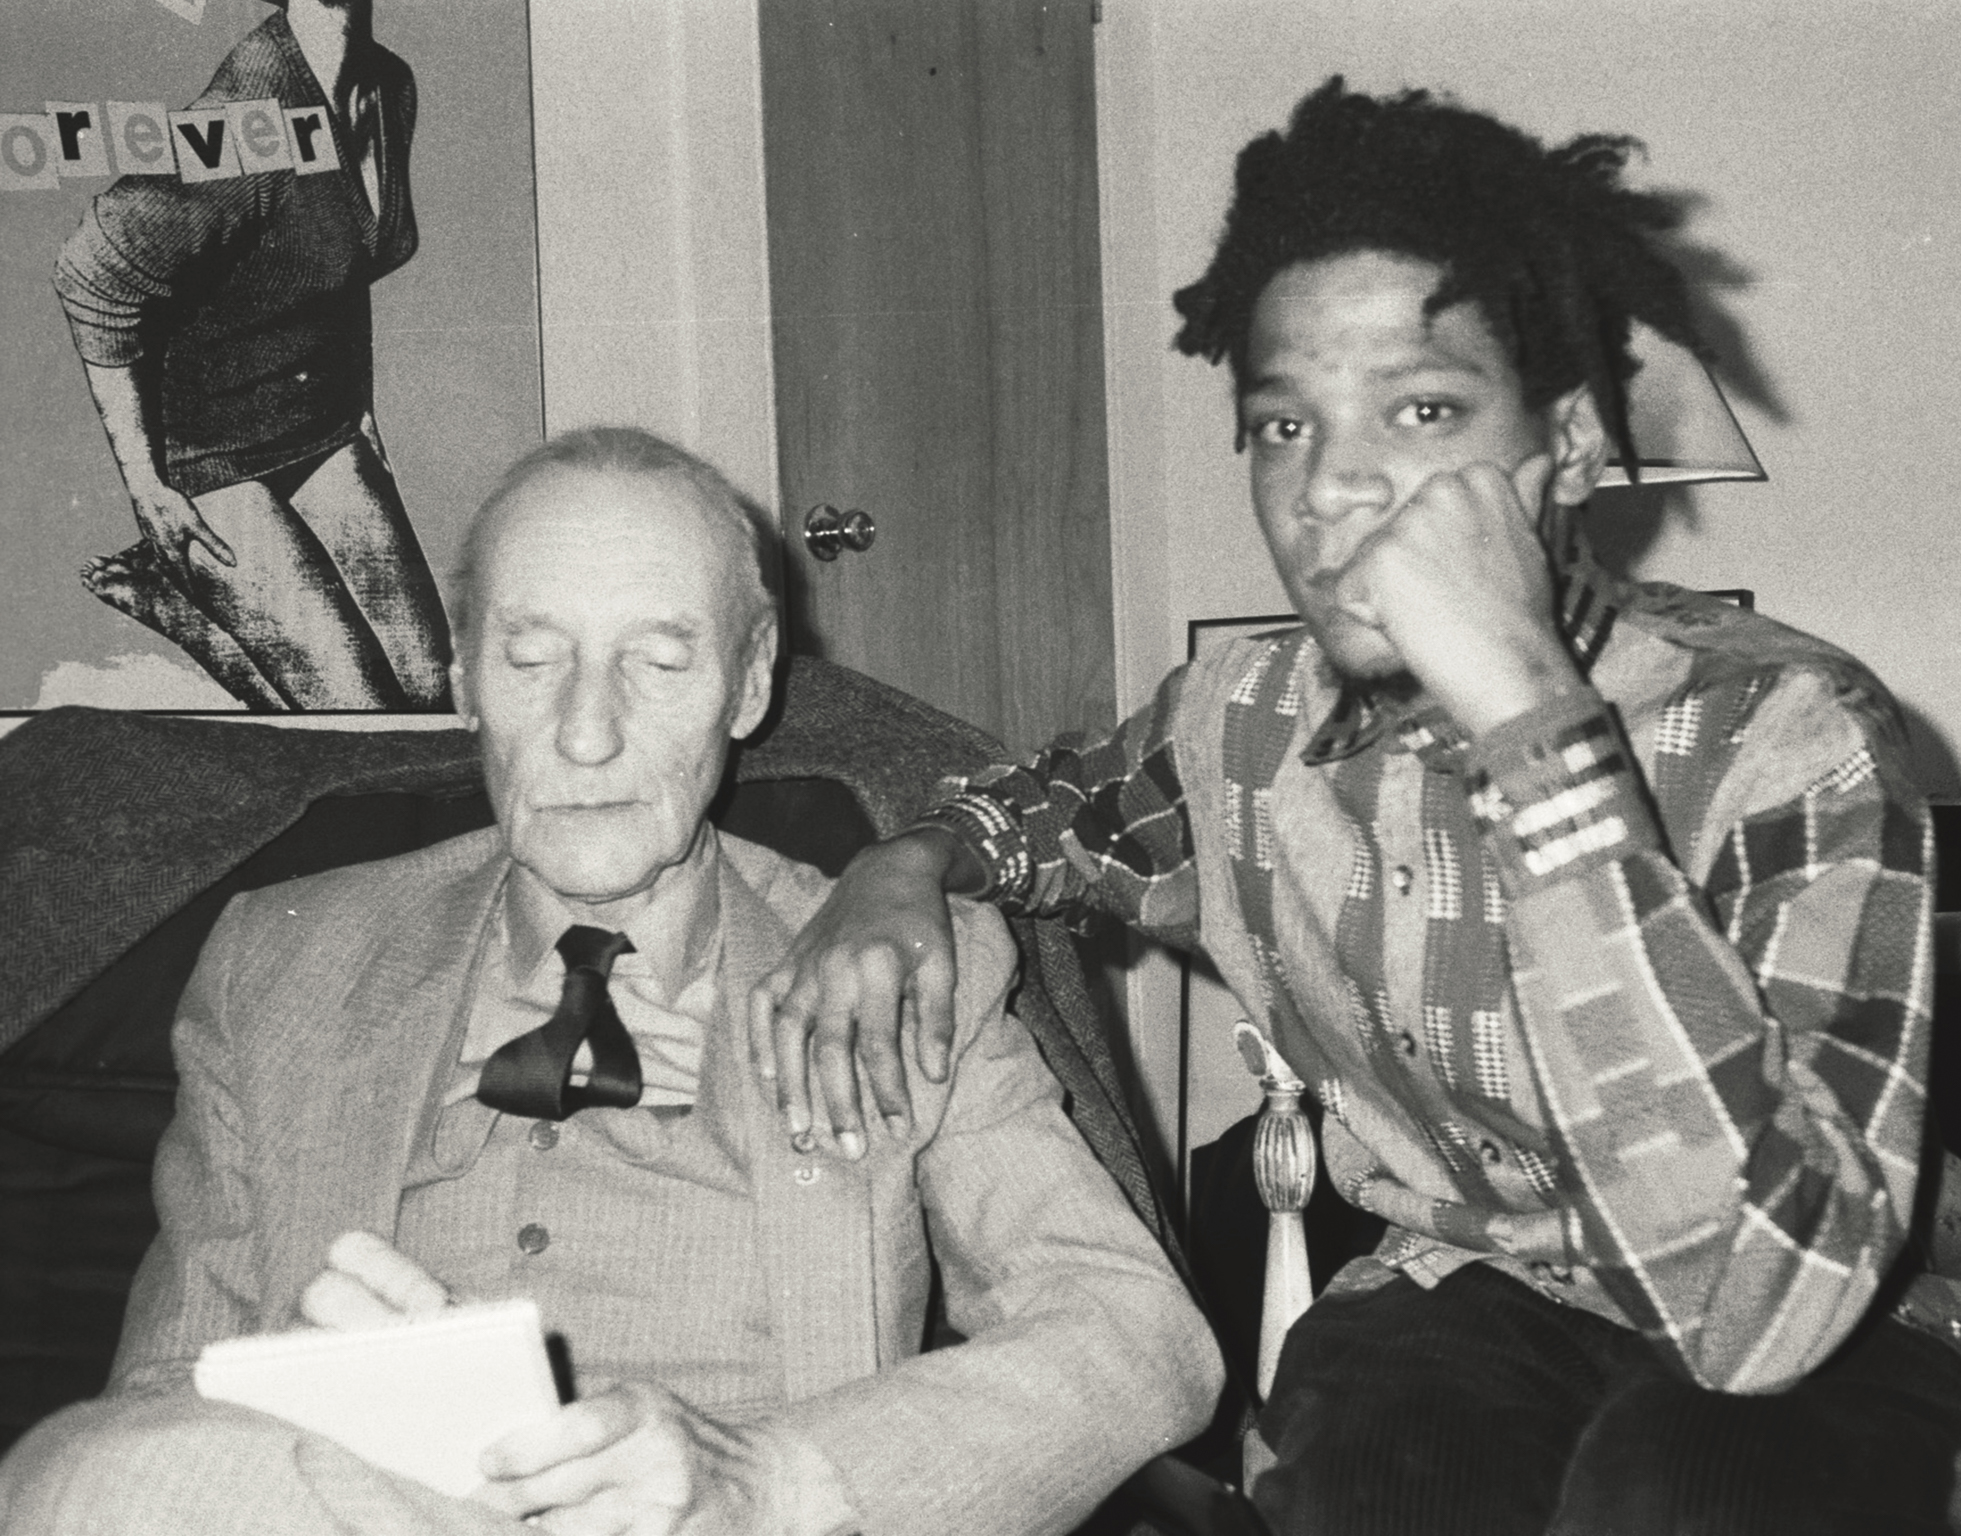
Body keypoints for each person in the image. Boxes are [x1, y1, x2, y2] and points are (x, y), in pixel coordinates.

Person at [750, 79, 1961, 1535]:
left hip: (1843, 1318)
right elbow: (1065, 814)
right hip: (1484, 1290)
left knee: (1673, 1493)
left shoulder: (1786, 734)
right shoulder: (1244, 723)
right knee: (1374, 1480)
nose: (1334, 489)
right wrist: (906, 860)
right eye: (1282, 428)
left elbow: (1757, 1310)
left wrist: (1533, 728)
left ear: (1568, 444)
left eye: (1425, 410)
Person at [0, 427, 1221, 1536]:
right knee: (85, 1476)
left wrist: (769, 1478)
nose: (587, 734)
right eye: (533, 661)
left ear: (747, 689)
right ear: (463, 677)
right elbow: (169, 1392)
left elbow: (1138, 1336)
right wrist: (315, 1401)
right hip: (354, 1509)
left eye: (658, 663)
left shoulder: (890, 968)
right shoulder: (281, 961)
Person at [53, 0, 449, 712]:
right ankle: (175, 587)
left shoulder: (387, 85)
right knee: (359, 716)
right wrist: (149, 489)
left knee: (431, 696)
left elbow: (336, 270)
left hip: (314, 424)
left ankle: (184, 604)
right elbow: (92, 274)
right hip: (207, 450)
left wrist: (360, 411)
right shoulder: (248, 114)